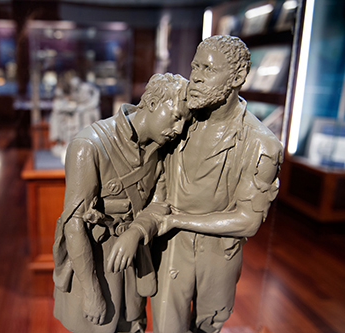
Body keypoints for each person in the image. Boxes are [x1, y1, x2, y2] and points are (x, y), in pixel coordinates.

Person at [108, 35, 283, 333]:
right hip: (170, 250)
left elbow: (248, 221)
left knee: (207, 327)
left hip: (218, 256)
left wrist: (176, 219)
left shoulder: (261, 144)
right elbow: (156, 178)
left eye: (208, 69)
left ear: (237, 77)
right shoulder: (178, 121)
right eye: (194, 67)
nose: (197, 79)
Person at [53, 73, 190, 333]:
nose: (179, 128)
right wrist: (92, 292)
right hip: (93, 262)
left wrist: (136, 231)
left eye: (184, 120)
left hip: (132, 260)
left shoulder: (159, 149)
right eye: (176, 116)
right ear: (151, 104)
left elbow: (160, 203)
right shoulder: (88, 146)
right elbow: (73, 225)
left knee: (132, 325)